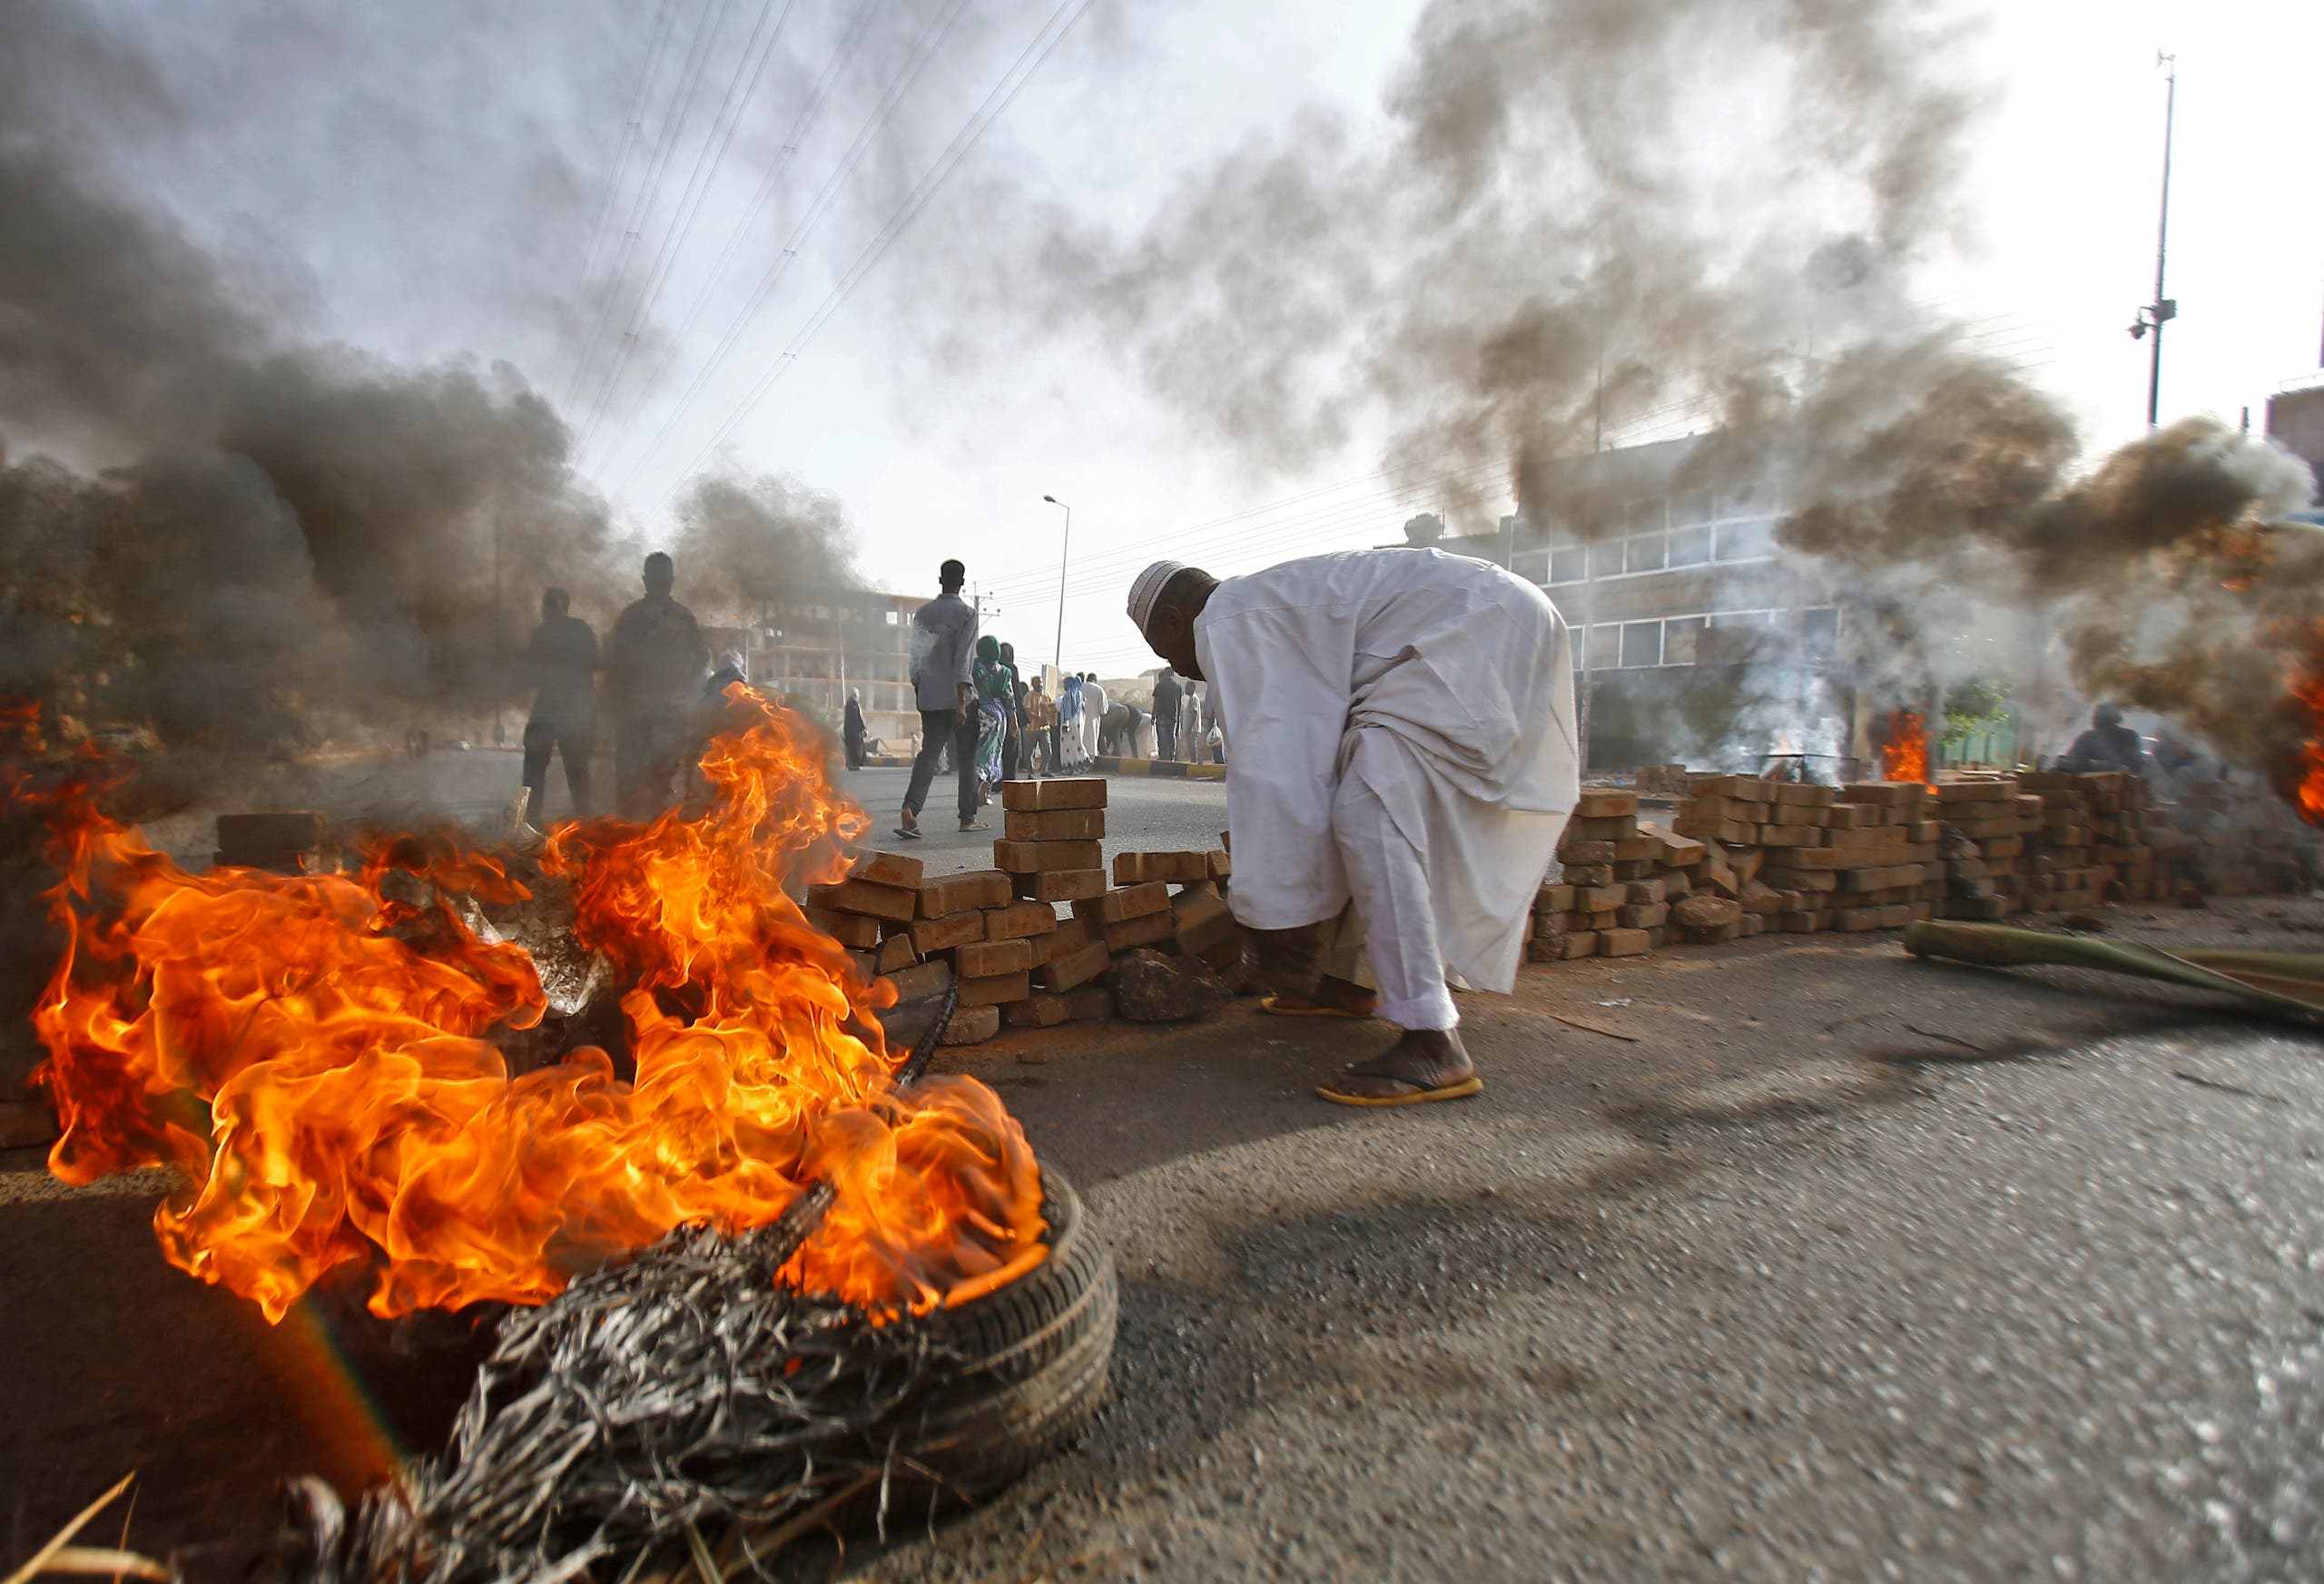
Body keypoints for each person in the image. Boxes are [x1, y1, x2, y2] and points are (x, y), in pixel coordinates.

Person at [1127, 548, 1577, 1107]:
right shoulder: (1264, 601)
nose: (1176, 668)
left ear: (1173, 622)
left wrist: (1274, 919)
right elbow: (1310, 762)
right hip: (1498, 616)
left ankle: (1433, 1041)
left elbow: (1274, 770)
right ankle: (1349, 980)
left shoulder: (1227, 618)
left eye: (1164, 652)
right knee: (1354, 780)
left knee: (1371, 808)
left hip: (1475, 630)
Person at [606, 551, 707, 821]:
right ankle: (640, 840)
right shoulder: (674, 617)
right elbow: (701, 657)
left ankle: (648, 842)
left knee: (653, 782)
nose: (660, 584)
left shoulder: (633, 617)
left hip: (656, 713)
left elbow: (613, 663)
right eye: (658, 579)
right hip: (646, 713)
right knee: (647, 782)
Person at [900, 558, 982, 836]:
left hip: (929, 695)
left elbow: (916, 656)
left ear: (940, 581)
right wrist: (961, 702)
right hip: (957, 697)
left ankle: (911, 808)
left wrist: (918, 688)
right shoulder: (967, 614)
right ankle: (967, 818)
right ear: (961, 583)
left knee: (930, 753)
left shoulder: (923, 613)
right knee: (967, 757)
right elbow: (962, 659)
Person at [519, 585, 598, 824]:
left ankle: (530, 823)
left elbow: (531, 676)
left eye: (547, 604)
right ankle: (586, 824)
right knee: (577, 773)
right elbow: (596, 662)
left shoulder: (541, 633)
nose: (544, 609)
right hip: (575, 711)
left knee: (534, 770)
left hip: (550, 710)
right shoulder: (582, 630)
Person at [2054, 703, 2147, 776]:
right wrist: (2064, 762)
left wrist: (2092, 765)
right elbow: (2073, 759)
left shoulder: (2128, 737)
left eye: (2103, 719)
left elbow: (2134, 766)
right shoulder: (2088, 736)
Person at [970, 635, 1013, 794]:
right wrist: (1013, 719)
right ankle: (986, 784)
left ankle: (978, 784)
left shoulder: (974, 667)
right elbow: (1009, 697)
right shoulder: (1003, 671)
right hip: (998, 715)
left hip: (978, 713)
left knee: (977, 750)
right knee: (994, 751)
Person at [998, 641, 1026, 782]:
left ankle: (996, 780)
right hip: (1010, 712)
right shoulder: (1011, 668)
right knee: (1011, 748)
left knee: (998, 748)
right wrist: (1021, 715)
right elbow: (1017, 692)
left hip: (994, 712)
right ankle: (1009, 779)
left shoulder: (994, 666)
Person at [1027, 676, 1058, 776]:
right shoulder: (1029, 696)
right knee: (1030, 751)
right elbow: (1027, 711)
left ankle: (1044, 770)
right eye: (1037, 682)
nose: (1040, 684)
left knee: (1047, 750)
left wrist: (1051, 719)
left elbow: (1051, 710)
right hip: (1032, 727)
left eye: (1041, 682)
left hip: (1044, 728)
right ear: (1032, 684)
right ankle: (1030, 772)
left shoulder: (1046, 696)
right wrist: (1039, 717)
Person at [1153, 666, 1183, 760]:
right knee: (1171, 736)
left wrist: (1153, 715)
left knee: (1162, 738)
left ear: (1165, 674)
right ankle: (1172, 756)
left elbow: (1156, 702)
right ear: (1173, 675)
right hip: (1173, 716)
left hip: (1161, 715)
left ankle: (1163, 756)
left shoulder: (1159, 686)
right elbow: (1179, 703)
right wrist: (1178, 718)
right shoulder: (1178, 687)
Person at [1078, 674, 1107, 764]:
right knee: (1092, 741)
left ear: (1087, 679)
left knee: (1080, 740)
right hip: (1093, 721)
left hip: (1079, 720)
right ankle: (1090, 763)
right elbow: (1103, 710)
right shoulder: (1099, 689)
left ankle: (1080, 762)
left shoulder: (1079, 687)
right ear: (1095, 680)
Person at [1058, 673, 1084, 768]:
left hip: (1069, 723)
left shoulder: (1068, 695)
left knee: (1068, 745)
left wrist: (1065, 724)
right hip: (1078, 723)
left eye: (1065, 683)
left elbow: (1067, 712)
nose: (1064, 686)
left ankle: (1069, 765)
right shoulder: (1079, 694)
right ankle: (1080, 762)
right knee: (1077, 743)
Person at [842, 687, 868, 770]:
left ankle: (852, 764)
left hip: (848, 730)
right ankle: (854, 764)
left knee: (851, 747)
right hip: (854, 731)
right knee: (856, 748)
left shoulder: (848, 704)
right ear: (855, 695)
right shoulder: (854, 704)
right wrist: (863, 729)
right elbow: (857, 718)